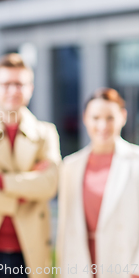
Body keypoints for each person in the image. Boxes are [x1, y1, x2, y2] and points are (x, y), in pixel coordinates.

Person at [0, 54, 61, 278]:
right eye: (6, 83)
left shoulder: (45, 133)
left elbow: (49, 185)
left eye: (19, 84)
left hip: (29, 252)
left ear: (31, 88)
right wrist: (27, 189)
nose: (13, 90)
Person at [56, 88, 139, 278]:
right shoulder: (70, 165)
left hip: (124, 267)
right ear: (85, 118)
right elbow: (65, 228)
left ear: (123, 117)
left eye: (110, 118)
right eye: (95, 118)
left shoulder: (136, 161)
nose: (102, 125)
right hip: (80, 267)